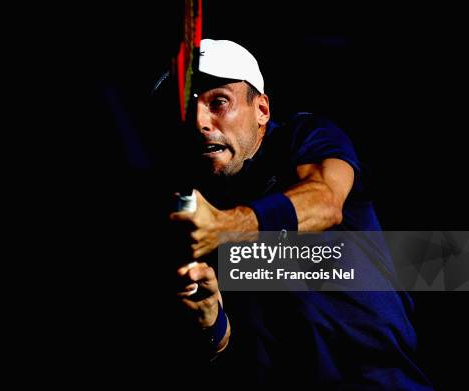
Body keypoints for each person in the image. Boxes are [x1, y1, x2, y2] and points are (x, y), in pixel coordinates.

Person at [151, 39, 433, 389]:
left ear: (262, 110)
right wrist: (213, 324)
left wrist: (227, 227)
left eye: (219, 102)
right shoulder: (192, 213)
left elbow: (326, 199)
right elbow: (233, 352)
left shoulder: (304, 138)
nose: (200, 122)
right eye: (187, 109)